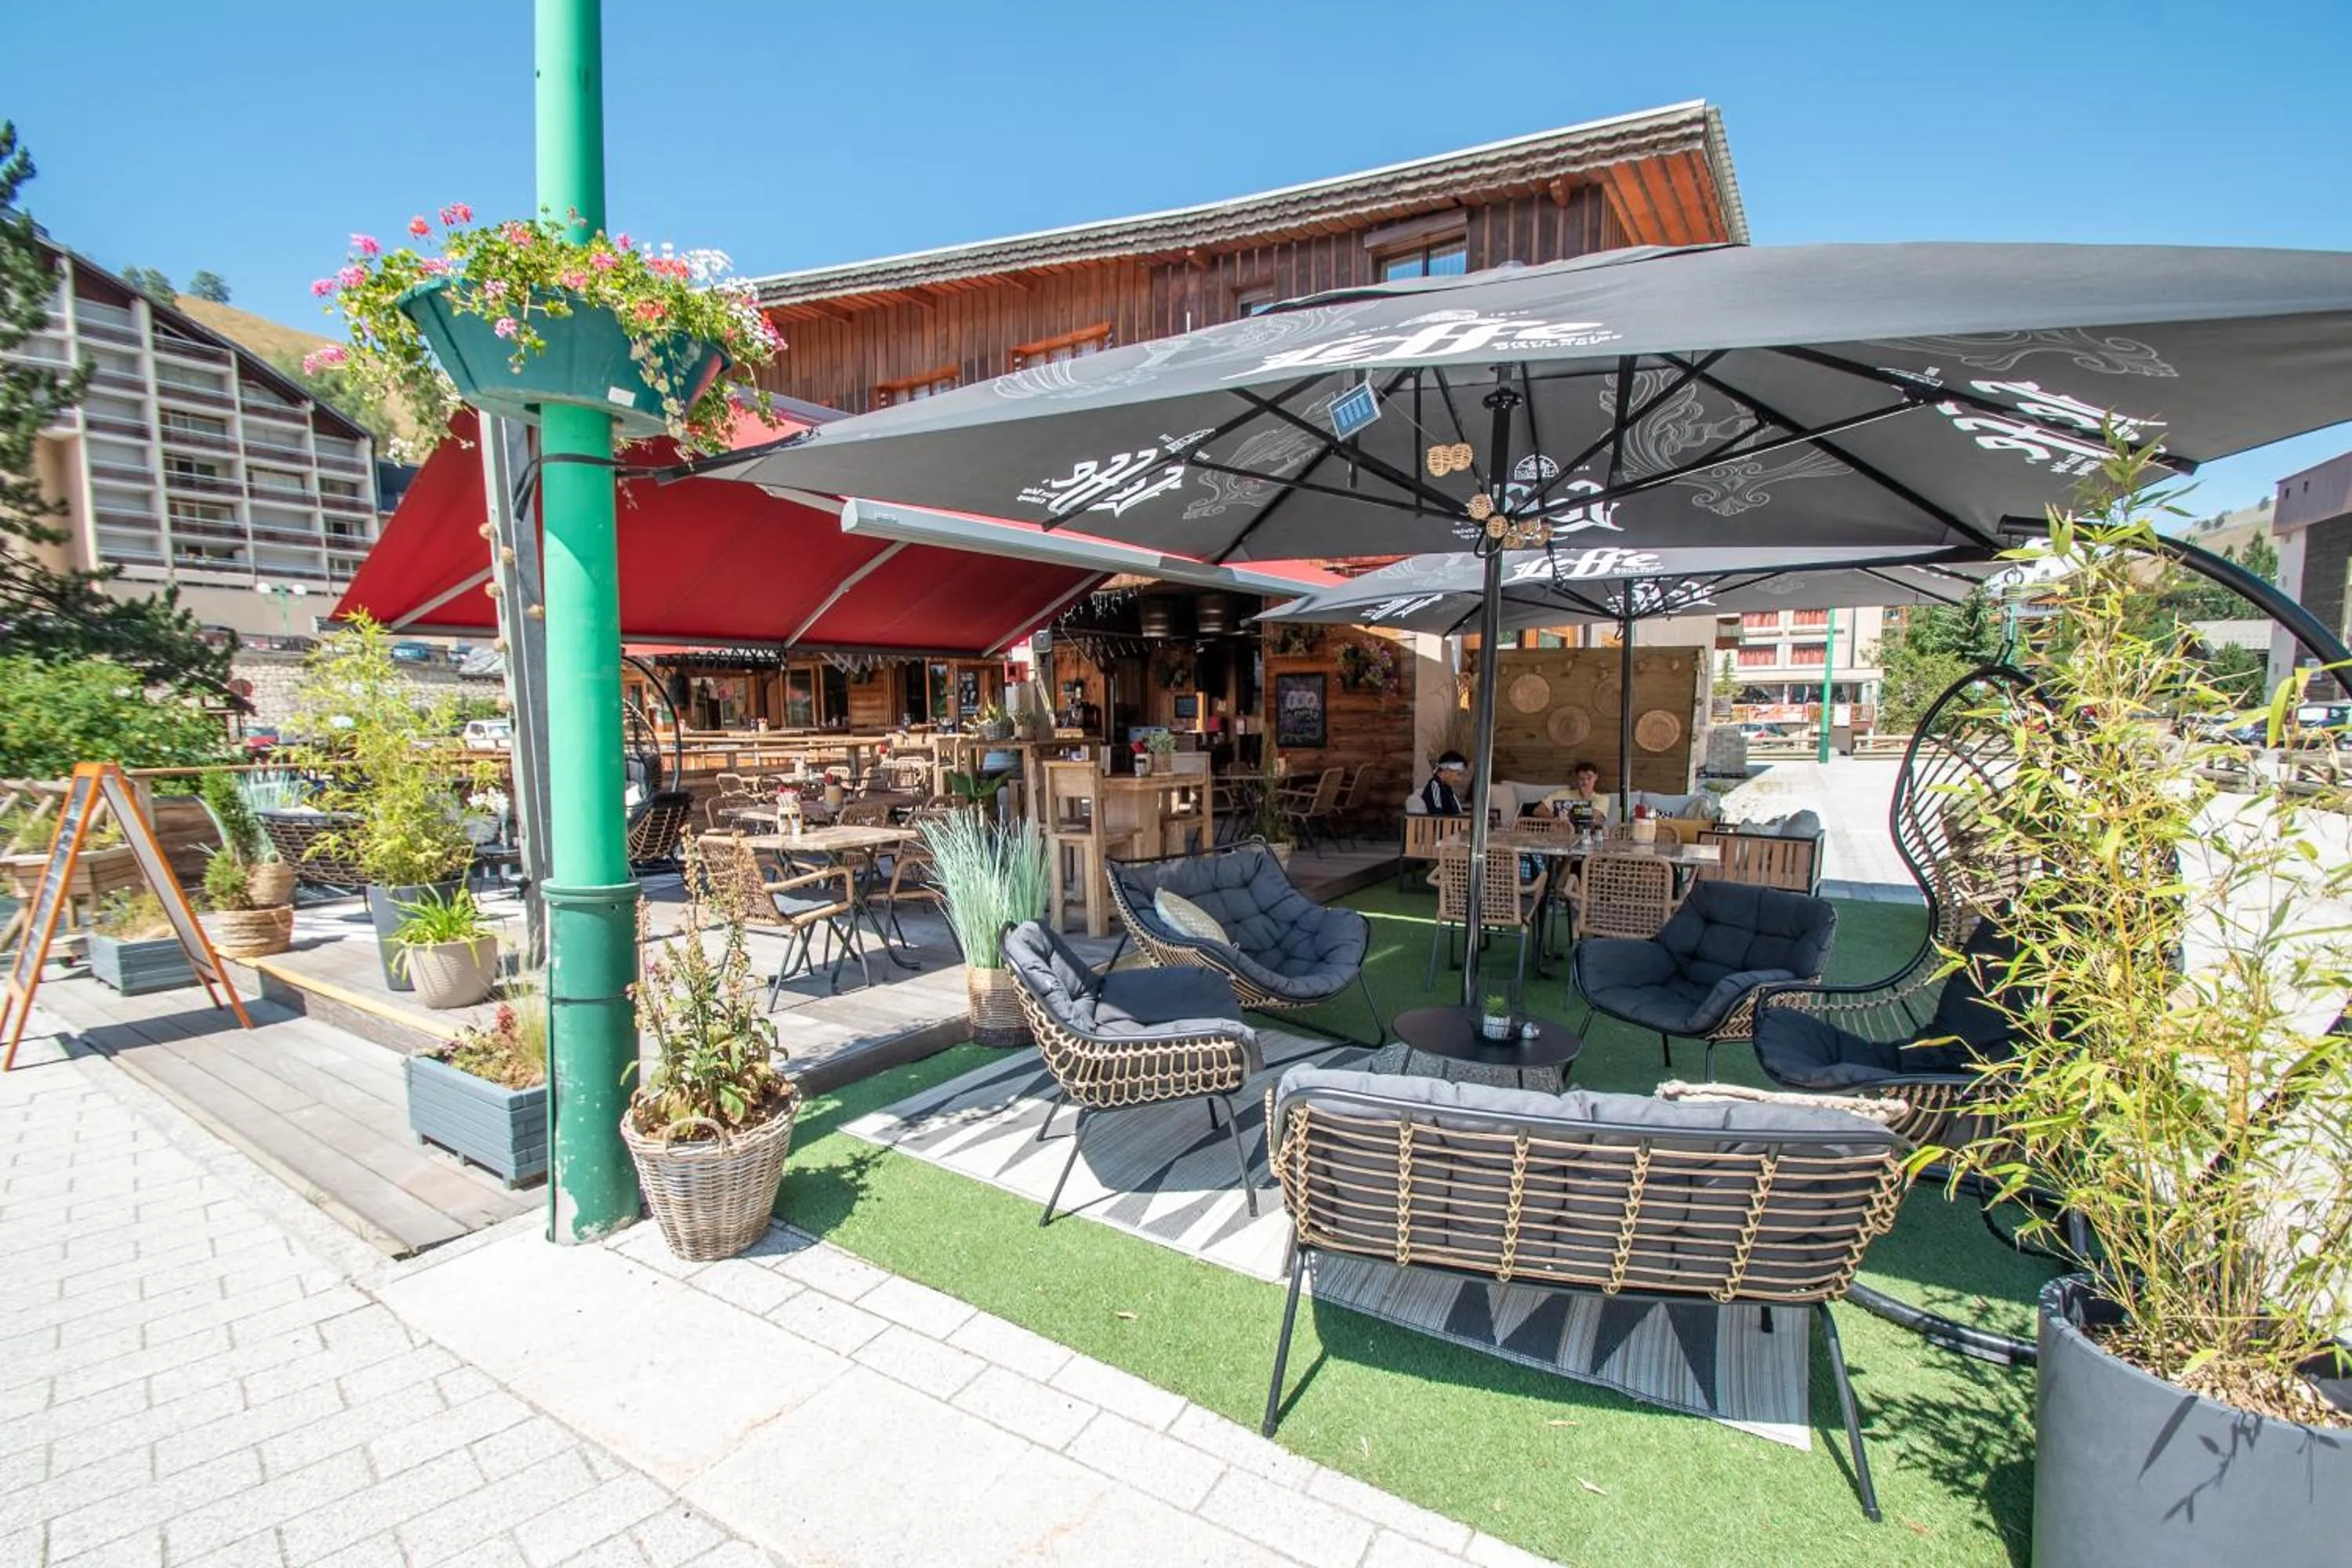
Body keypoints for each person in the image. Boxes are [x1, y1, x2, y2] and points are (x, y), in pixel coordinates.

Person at [1544, 760, 1610, 830]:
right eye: (1582, 779)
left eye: (1589, 778)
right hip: (1561, 834)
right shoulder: (1562, 794)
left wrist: (1565, 813)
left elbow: (1594, 816)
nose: (1585, 782)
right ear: (1577, 779)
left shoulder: (1602, 798)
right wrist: (1556, 818)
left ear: (1596, 777)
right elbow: (1538, 809)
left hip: (1588, 835)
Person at [1414, 751, 1471, 816]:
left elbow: (1458, 812)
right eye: (1458, 774)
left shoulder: (1448, 790)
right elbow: (1437, 815)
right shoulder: (1435, 787)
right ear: (1447, 771)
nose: (1458, 779)